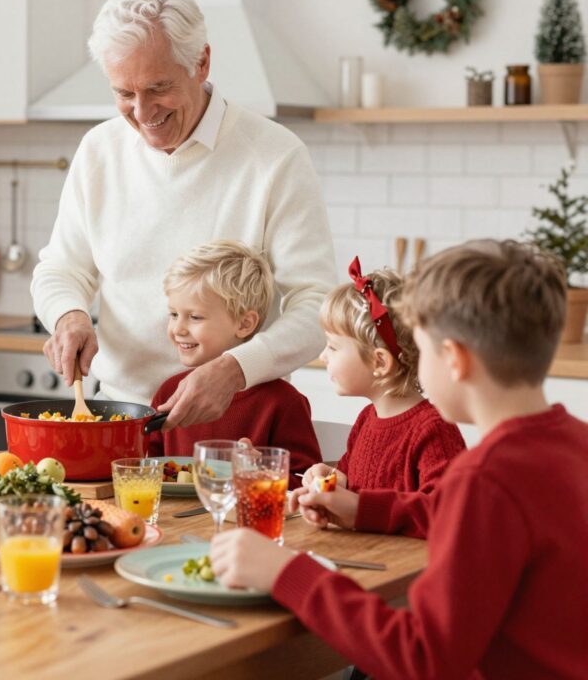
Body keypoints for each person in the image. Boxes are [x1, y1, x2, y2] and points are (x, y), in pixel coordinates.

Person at [210, 240, 588, 679]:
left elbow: (423, 658)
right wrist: (362, 507)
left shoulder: (484, 479)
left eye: (422, 352)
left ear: (455, 361)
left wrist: (288, 572)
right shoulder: (575, 445)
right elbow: (446, 515)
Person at [32, 0, 336, 429]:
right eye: (123, 93)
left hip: (239, 422)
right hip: (120, 418)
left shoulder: (274, 156)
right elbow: (60, 269)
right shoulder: (99, 151)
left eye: (158, 88)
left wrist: (235, 370)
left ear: (201, 62)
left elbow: (316, 306)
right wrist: (69, 314)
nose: (142, 111)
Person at [146, 240, 321, 487]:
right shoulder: (169, 392)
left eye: (195, 317)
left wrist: (261, 470)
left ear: (244, 324)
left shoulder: (283, 402)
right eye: (173, 314)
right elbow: (148, 469)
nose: (177, 329)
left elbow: (308, 484)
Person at [294, 258, 465, 496]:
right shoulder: (366, 419)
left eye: (333, 347)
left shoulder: (434, 430)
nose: (323, 356)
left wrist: (358, 509)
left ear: (380, 362)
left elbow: (444, 511)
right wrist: (332, 479)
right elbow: (351, 480)